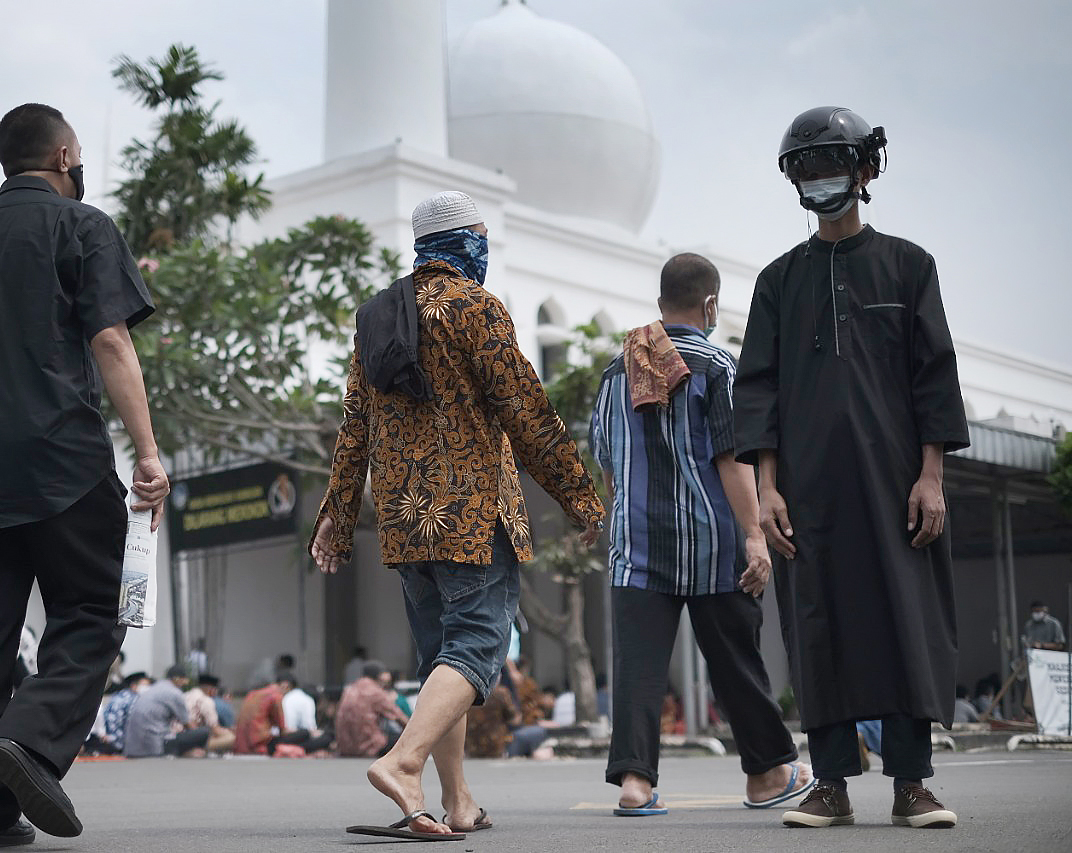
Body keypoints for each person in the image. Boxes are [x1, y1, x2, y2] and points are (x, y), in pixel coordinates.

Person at [0, 102, 169, 849]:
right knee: (96, 603)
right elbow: (112, 341)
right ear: (63, 157)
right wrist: (147, 453)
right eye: (78, 154)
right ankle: (32, 739)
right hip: (58, 457)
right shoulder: (81, 226)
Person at [311, 190, 604, 838]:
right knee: (476, 647)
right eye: (481, 236)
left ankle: (458, 798)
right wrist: (579, 493)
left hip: (405, 519)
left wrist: (335, 509)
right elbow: (526, 410)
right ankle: (403, 760)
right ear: (466, 240)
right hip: (470, 513)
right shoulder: (476, 307)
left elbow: (354, 424)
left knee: (441, 657)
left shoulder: (379, 313)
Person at [733, 106, 968, 830]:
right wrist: (767, 488)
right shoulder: (777, 281)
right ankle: (829, 782)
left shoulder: (909, 264)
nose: (819, 180)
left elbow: (934, 374)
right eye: (805, 169)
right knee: (818, 625)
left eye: (831, 165)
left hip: (897, 483)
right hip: (808, 491)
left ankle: (912, 784)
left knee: (906, 623)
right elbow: (760, 387)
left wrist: (931, 475)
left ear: (866, 172)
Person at [591, 253, 813, 816]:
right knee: (735, 659)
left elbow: (609, 462)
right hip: (714, 544)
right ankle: (765, 775)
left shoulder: (617, 370)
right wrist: (755, 535)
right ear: (710, 303)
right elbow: (731, 461)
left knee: (639, 668)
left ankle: (635, 786)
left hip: (636, 547)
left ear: (662, 298)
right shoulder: (717, 365)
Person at [124, 666, 210, 758]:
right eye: (184, 680)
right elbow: (188, 725)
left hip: (133, 748)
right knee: (203, 732)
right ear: (177, 679)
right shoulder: (174, 693)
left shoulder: (154, 688)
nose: (185, 684)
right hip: (156, 745)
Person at [335, 664, 409, 758]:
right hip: (370, 746)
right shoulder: (374, 692)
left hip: (346, 748)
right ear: (379, 676)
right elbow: (398, 716)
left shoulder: (349, 690)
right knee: (401, 739)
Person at [234, 675, 305, 755]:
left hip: (241, 744)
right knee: (304, 734)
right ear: (286, 686)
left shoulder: (251, 694)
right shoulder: (276, 696)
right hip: (260, 744)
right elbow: (282, 729)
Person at [101, 672, 151, 755]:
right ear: (134, 686)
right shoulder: (130, 699)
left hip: (116, 739)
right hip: (119, 742)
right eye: (144, 685)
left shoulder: (122, 695)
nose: (147, 688)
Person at [184, 674, 235, 755]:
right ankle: (198, 749)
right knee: (231, 738)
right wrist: (231, 732)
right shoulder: (206, 700)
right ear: (212, 689)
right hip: (191, 739)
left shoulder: (186, 695)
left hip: (178, 737)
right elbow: (216, 729)